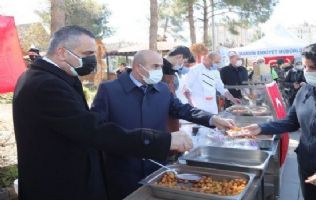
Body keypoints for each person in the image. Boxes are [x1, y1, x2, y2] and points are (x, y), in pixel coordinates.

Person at [12, 26, 193, 200]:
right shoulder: (46, 84)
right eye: (87, 54)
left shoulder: (51, 77)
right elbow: (92, 129)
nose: (92, 60)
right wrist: (162, 140)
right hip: (58, 185)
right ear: (61, 52)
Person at [91, 49, 235, 199]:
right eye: (155, 66)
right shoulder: (109, 90)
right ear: (139, 67)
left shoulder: (163, 89)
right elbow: (98, 129)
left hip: (156, 165)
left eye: (160, 66)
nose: (160, 71)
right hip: (122, 168)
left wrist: (212, 119)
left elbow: (183, 109)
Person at [241, 40, 316, 200]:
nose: (307, 71)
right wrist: (262, 128)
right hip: (307, 169)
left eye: (313, 67)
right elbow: (291, 121)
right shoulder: (306, 90)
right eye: (305, 66)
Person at [161, 46, 196, 132]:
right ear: (179, 56)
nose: (182, 64)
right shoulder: (158, 68)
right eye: (183, 61)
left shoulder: (172, 70)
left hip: (173, 111)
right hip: (162, 116)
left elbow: (172, 94)